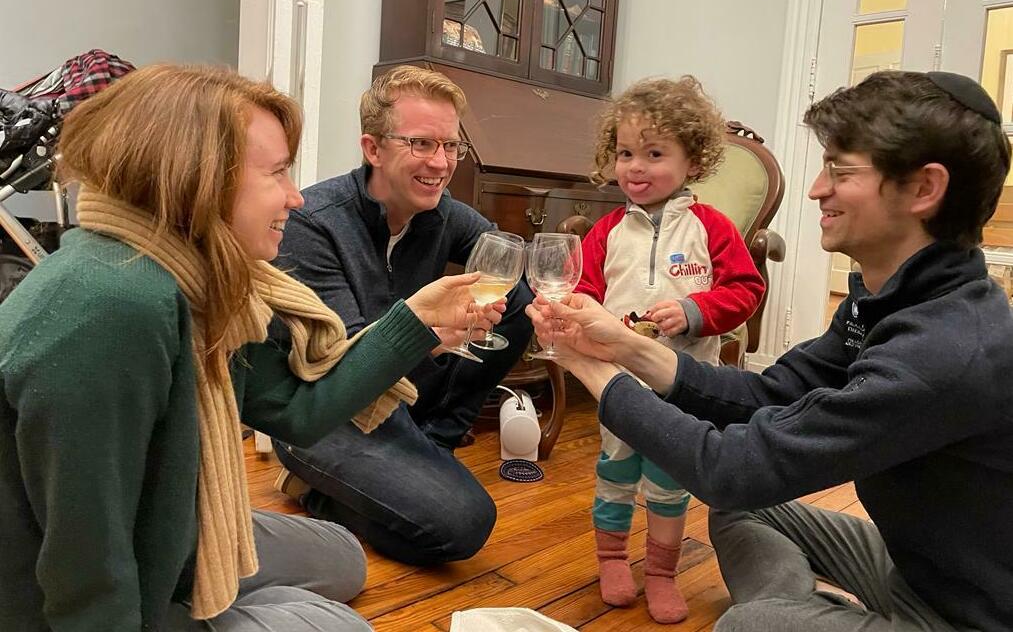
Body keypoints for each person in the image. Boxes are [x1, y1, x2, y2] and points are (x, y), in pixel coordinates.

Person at [0, 64, 500, 631]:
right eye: (278, 173)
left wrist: (413, 322)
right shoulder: (110, 308)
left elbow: (295, 409)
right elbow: (85, 570)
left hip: (170, 526)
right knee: (345, 625)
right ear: (198, 177)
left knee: (343, 559)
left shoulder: (204, 285)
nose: (296, 197)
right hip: (78, 596)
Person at [527, 70, 1013, 632]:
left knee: (746, 624)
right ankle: (803, 611)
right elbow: (764, 393)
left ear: (925, 189)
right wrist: (628, 347)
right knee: (742, 513)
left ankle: (790, 614)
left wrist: (592, 366)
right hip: (913, 568)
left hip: (965, 617)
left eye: (840, 170)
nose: (816, 189)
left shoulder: (944, 352)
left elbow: (733, 467)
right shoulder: (886, 304)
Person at [271, 65, 534, 565]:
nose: (441, 162)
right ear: (373, 149)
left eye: (451, 146)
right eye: (422, 143)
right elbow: (343, 362)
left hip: (402, 400)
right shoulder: (314, 223)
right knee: (462, 524)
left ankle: (438, 442)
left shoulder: (442, 213)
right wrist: (433, 335)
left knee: (518, 310)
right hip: (324, 412)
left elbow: (508, 262)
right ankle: (314, 487)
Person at [577, 77, 764, 623]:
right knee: (614, 472)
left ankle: (660, 571)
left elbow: (746, 290)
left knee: (668, 482)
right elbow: (584, 291)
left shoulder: (712, 228)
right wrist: (590, 318)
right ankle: (611, 558)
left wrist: (696, 310)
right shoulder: (606, 231)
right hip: (617, 384)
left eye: (655, 154)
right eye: (626, 153)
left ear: (693, 160)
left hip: (686, 384)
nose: (636, 167)